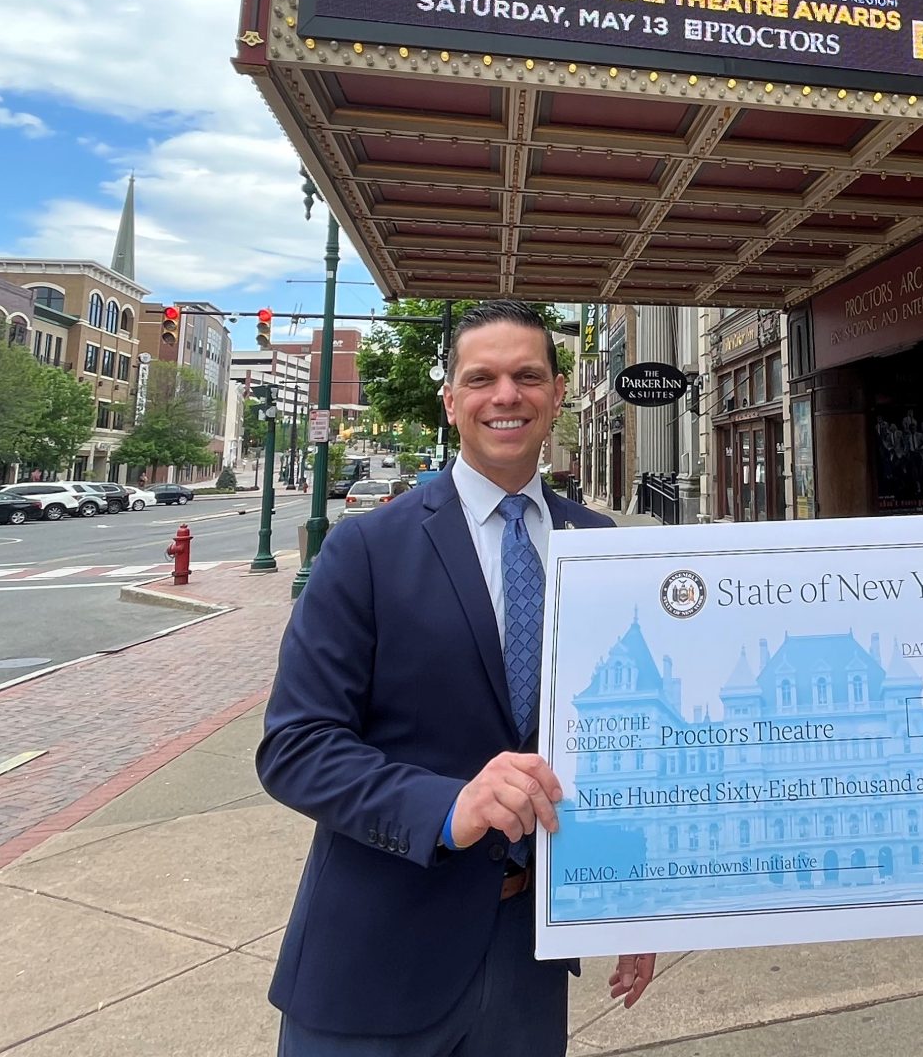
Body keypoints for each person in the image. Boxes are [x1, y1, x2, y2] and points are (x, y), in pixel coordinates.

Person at [258, 299, 656, 1054]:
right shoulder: (365, 550)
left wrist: (630, 898)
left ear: (558, 393)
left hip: (528, 962)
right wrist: (449, 806)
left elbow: (619, 734)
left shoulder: (599, 543)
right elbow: (296, 747)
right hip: (377, 958)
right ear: (450, 400)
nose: (506, 395)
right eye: (481, 378)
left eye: (527, 376)